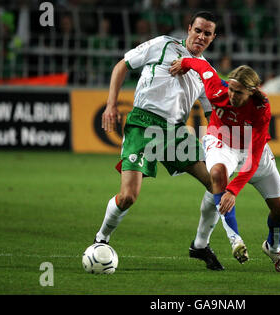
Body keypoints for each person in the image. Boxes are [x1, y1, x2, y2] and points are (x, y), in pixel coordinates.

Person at [94, 11, 226, 271]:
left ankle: (200, 245)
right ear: (189, 28)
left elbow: (214, 115)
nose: (201, 36)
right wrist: (111, 105)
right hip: (143, 124)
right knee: (128, 197)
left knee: (217, 184)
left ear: (213, 38)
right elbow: (122, 65)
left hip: (175, 132)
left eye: (207, 33)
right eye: (197, 30)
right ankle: (102, 239)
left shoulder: (206, 72)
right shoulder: (163, 44)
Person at [169, 56, 280, 272]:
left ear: (252, 92)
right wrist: (185, 62)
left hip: (253, 153)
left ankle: (273, 249)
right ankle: (235, 239)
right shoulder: (217, 89)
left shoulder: (261, 108)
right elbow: (202, 66)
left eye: (239, 92)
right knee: (217, 173)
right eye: (231, 89)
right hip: (221, 143)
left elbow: (253, 157)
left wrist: (233, 190)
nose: (232, 95)